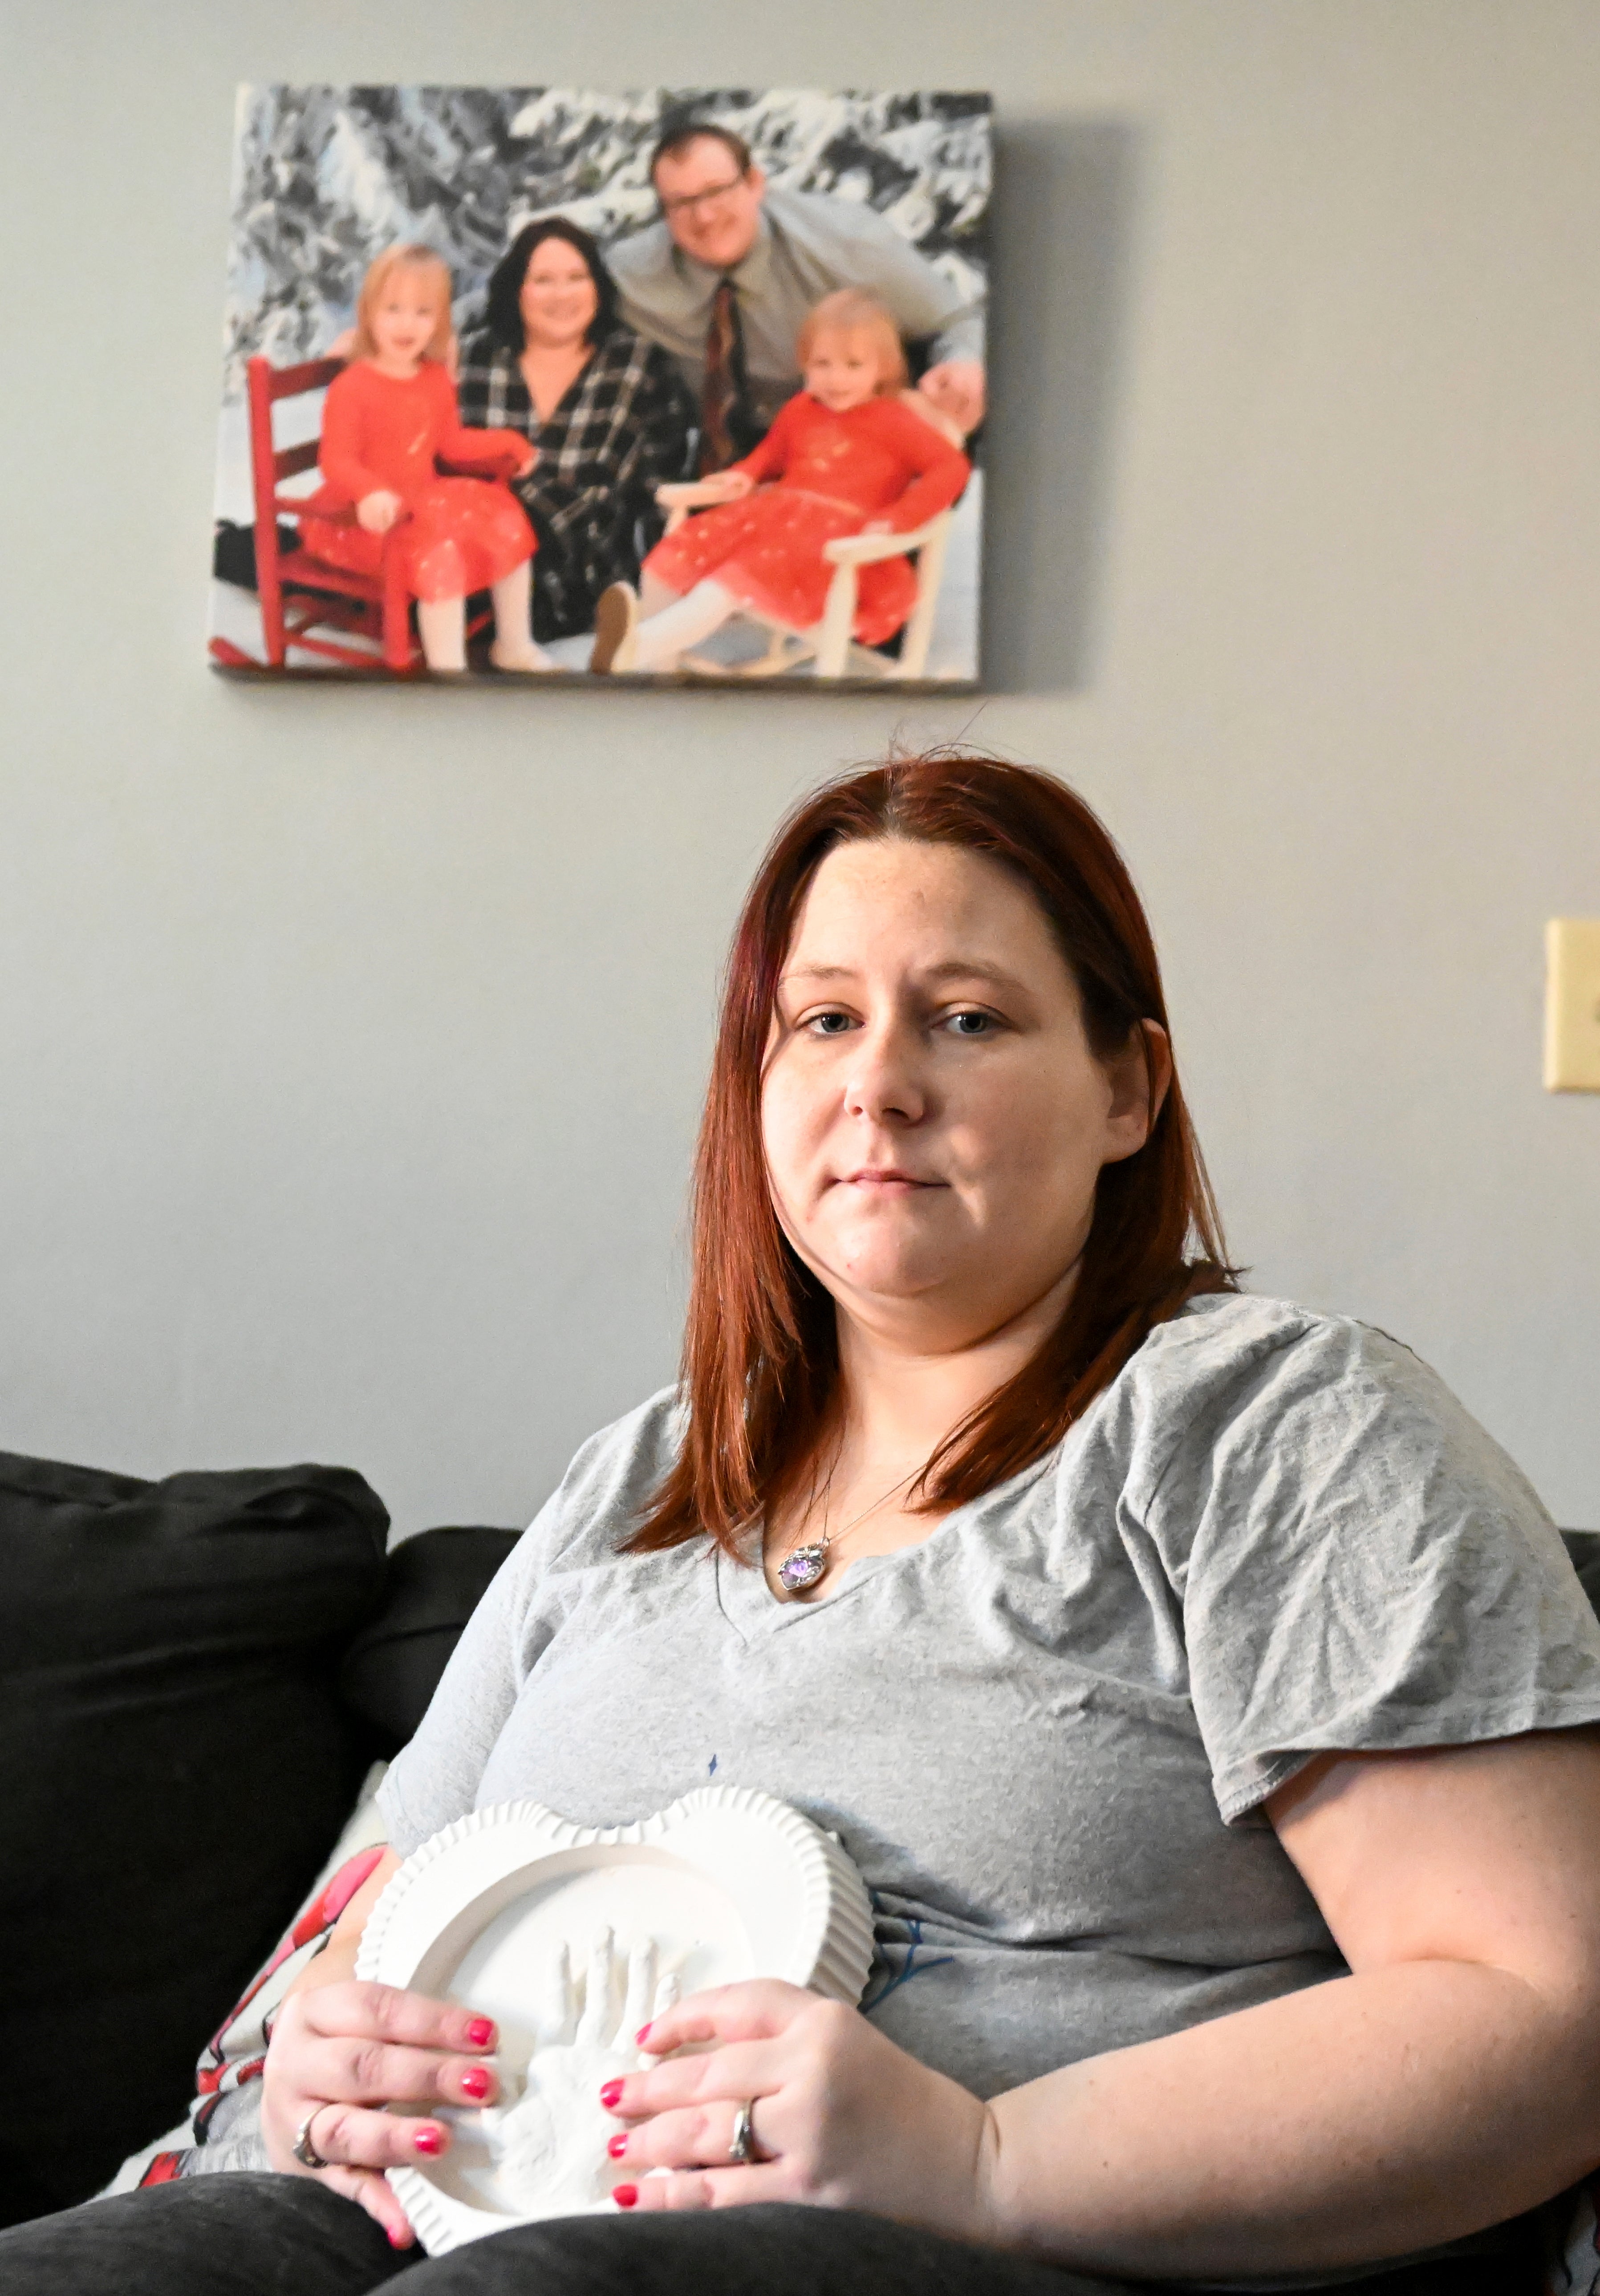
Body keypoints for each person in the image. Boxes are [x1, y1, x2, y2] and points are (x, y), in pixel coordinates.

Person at [10, 752, 1600, 2296]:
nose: (878, 1079)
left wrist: (981, 2151)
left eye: (964, 1016)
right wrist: (323, 2057)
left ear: (1125, 1086)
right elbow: (346, 1945)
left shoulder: (1268, 1424)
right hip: (415, 2211)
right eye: (821, 1017)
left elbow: (1539, 2006)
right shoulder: (632, 1479)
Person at [589, 290, 970, 675]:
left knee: (725, 586)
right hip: (775, 525)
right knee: (669, 560)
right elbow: (772, 454)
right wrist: (745, 473)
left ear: (882, 368)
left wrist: (901, 516)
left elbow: (951, 469)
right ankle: (655, 662)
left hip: (829, 548)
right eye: (823, 364)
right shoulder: (801, 408)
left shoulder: (895, 421)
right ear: (804, 361)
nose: (836, 379)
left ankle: (635, 648)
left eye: (854, 365)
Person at [609, 120, 987, 465]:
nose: (704, 217)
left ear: (755, 184)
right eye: (682, 202)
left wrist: (961, 364)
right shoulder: (631, 277)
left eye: (717, 191)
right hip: (741, 466)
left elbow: (955, 321)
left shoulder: (847, 246)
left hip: (864, 451)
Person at [298, 245, 551, 676]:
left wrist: (508, 442)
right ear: (368, 312)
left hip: (419, 503)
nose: (406, 325)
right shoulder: (353, 386)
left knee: (506, 517)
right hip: (359, 520)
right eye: (393, 309)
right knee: (442, 554)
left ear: (439, 320)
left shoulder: (434, 378)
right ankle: (448, 672)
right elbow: (336, 461)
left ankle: (514, 644)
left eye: (422, 312)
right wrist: (369, 491)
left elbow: (450, 445)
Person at [454, 218, 697, 645]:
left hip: (591, 595)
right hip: (475, 587)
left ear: (598, 287)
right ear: (517, 289)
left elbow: (664, 490)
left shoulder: (638, 366)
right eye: (543, 280)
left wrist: (672, 600)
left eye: (576, 278)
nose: (562, 295)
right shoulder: (475, 359)